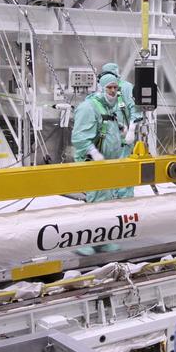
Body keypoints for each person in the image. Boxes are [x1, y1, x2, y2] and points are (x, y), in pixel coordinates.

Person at [71, 75, 132, 255]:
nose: (113, 91)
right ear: (101, 88)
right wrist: (94, 153)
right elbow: (79, 137)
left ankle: (103, 240)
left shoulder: (109, 108)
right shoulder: (89, 108)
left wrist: (123, 132)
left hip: (107, 165)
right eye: (109, 88)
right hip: (93, 163)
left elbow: (109, 129)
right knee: (94, 202)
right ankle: (84, 241)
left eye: (115, 88)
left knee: (106, 202)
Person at [99, 62, 140, 130]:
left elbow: (134, 108)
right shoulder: (100, 87)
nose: (112, 90)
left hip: (123, 132)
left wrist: (132, 128)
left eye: (115, 87)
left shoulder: (126, 87)